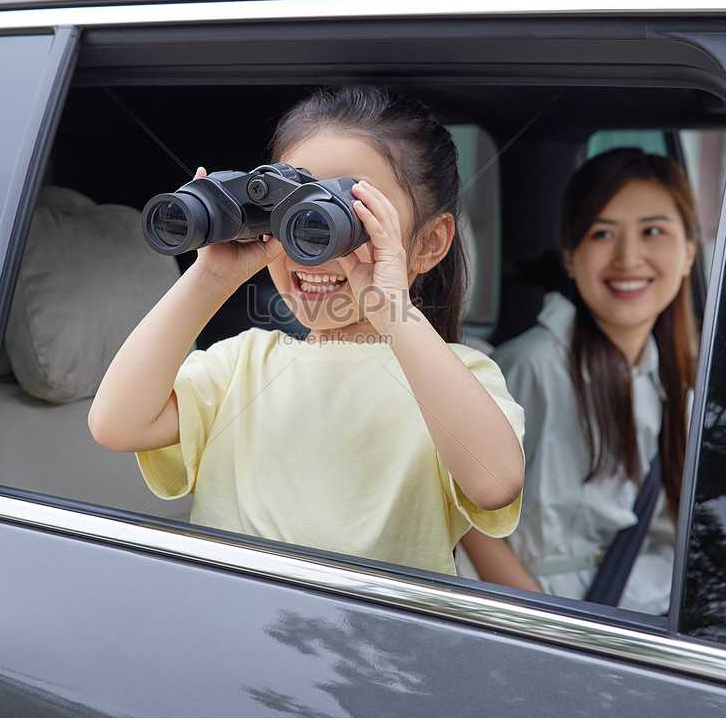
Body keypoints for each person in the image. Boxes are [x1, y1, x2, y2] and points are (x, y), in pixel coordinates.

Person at [89, 86, 525, 576]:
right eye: (293, 212)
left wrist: (390, 307)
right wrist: (210, 277)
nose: (309, 244)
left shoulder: (457, 378)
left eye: (343, 215)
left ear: (428, 244)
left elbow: (494, 483)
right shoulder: (241, 365)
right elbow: (115, 424)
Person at [461, 148, 698, 614]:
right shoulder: (531, 367)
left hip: (653, 619)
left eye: (653, 231)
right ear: (571, 258)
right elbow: (469, 516)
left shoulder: (677, 380)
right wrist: (537, 626)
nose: (629, 257)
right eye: (602, 233)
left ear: (689, 252)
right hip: (561, 627)